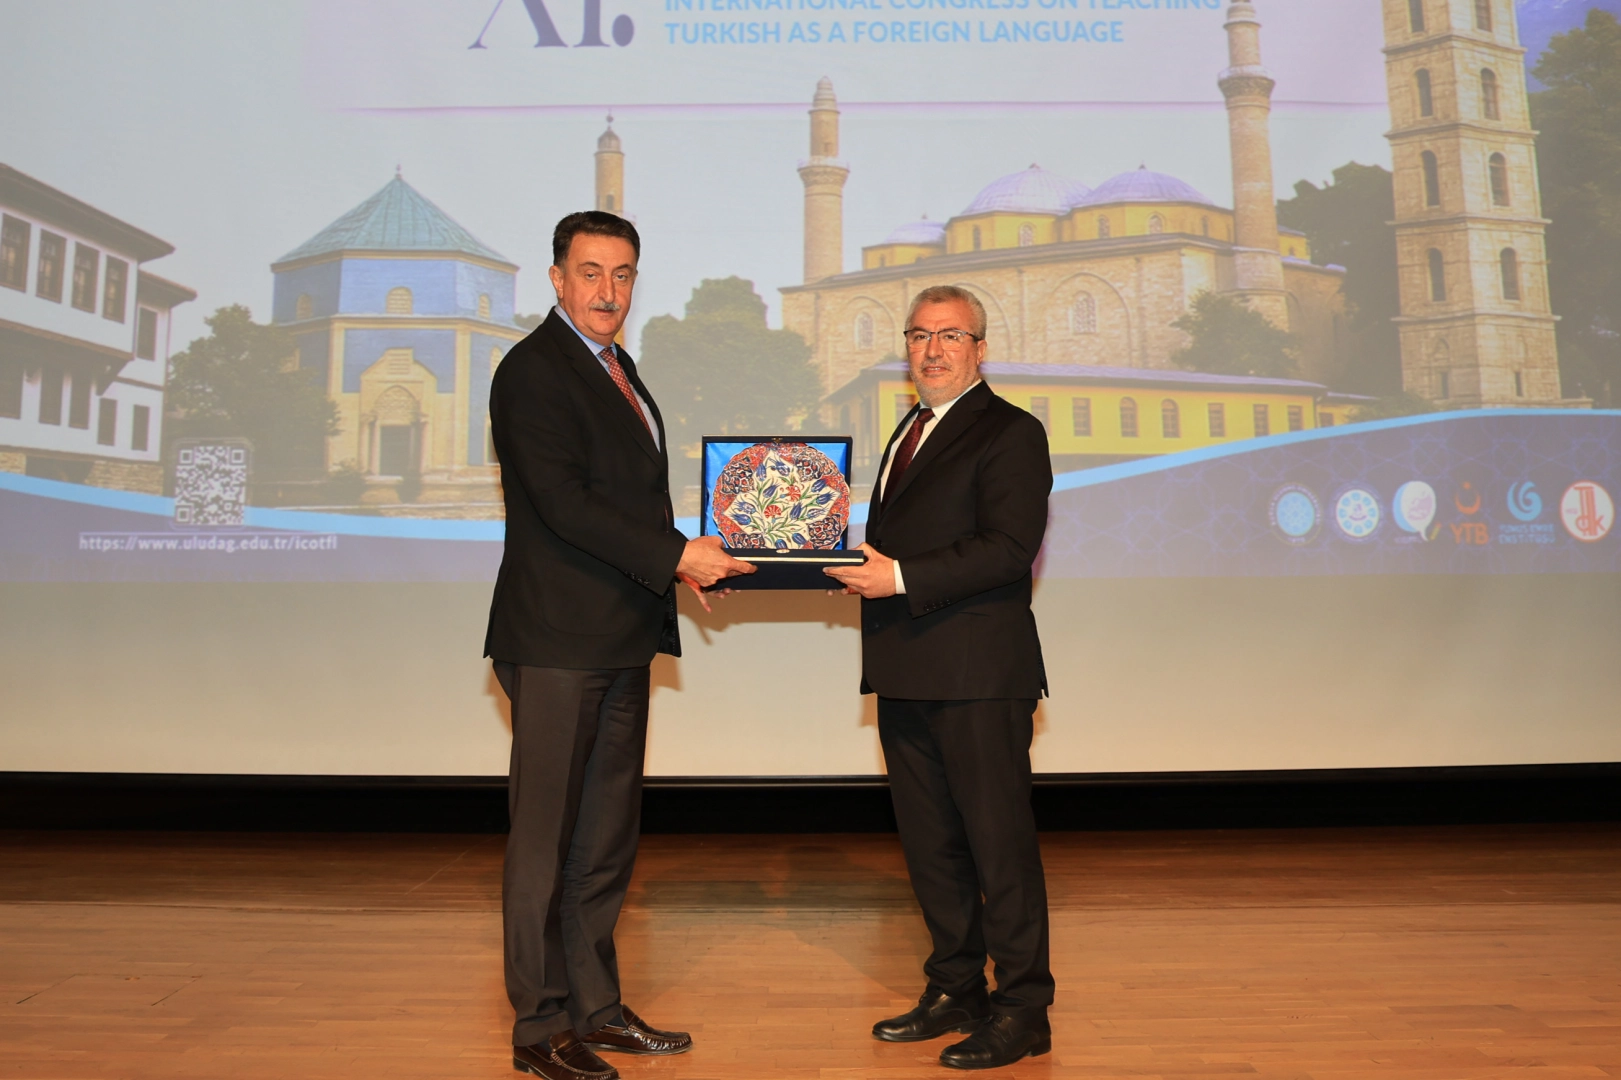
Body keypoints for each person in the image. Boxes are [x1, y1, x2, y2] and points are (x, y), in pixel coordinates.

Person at [484, 210, 753, 1080]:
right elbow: (563, 503)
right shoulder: (531, 371)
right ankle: (539, 1027)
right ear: (557, 278)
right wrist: (675, 554)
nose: (607, 290)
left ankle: (595, 1008)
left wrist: (681, 564)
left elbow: (626, 502)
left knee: (603, 840)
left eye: (623, 274)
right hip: (558, 640)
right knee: (545, 843)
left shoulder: (617, 367)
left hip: (621, 635)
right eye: (590, 272)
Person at [825, 284, 1055, 1070]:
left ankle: (1023, 1009)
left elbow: (1008, 548)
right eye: (919, 335)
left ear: (979, 349)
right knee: (932, 849)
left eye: (950, 335)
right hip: (906, 667)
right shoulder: (908, 429)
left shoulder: (1011, 432)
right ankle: (957, 988)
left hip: (978, 674)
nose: (932, 349)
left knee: (998, 849)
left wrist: (894, 578)